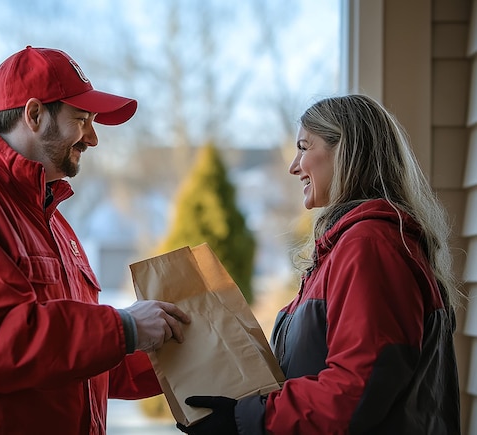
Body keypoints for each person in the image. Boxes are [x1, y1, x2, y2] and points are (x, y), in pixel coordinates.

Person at [0, 46, 191, 435]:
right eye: (81, 119)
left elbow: (75, 364)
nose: (93, 138)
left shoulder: (51, 220)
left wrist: (174, 344)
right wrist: (125, 328)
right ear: (33, 115)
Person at [177, 94, 462, 434]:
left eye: (303, 147)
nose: (293, 166)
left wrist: (245, 418)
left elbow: (359, 387)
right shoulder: (350, 246)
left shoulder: (369, 245)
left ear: (346, 151)